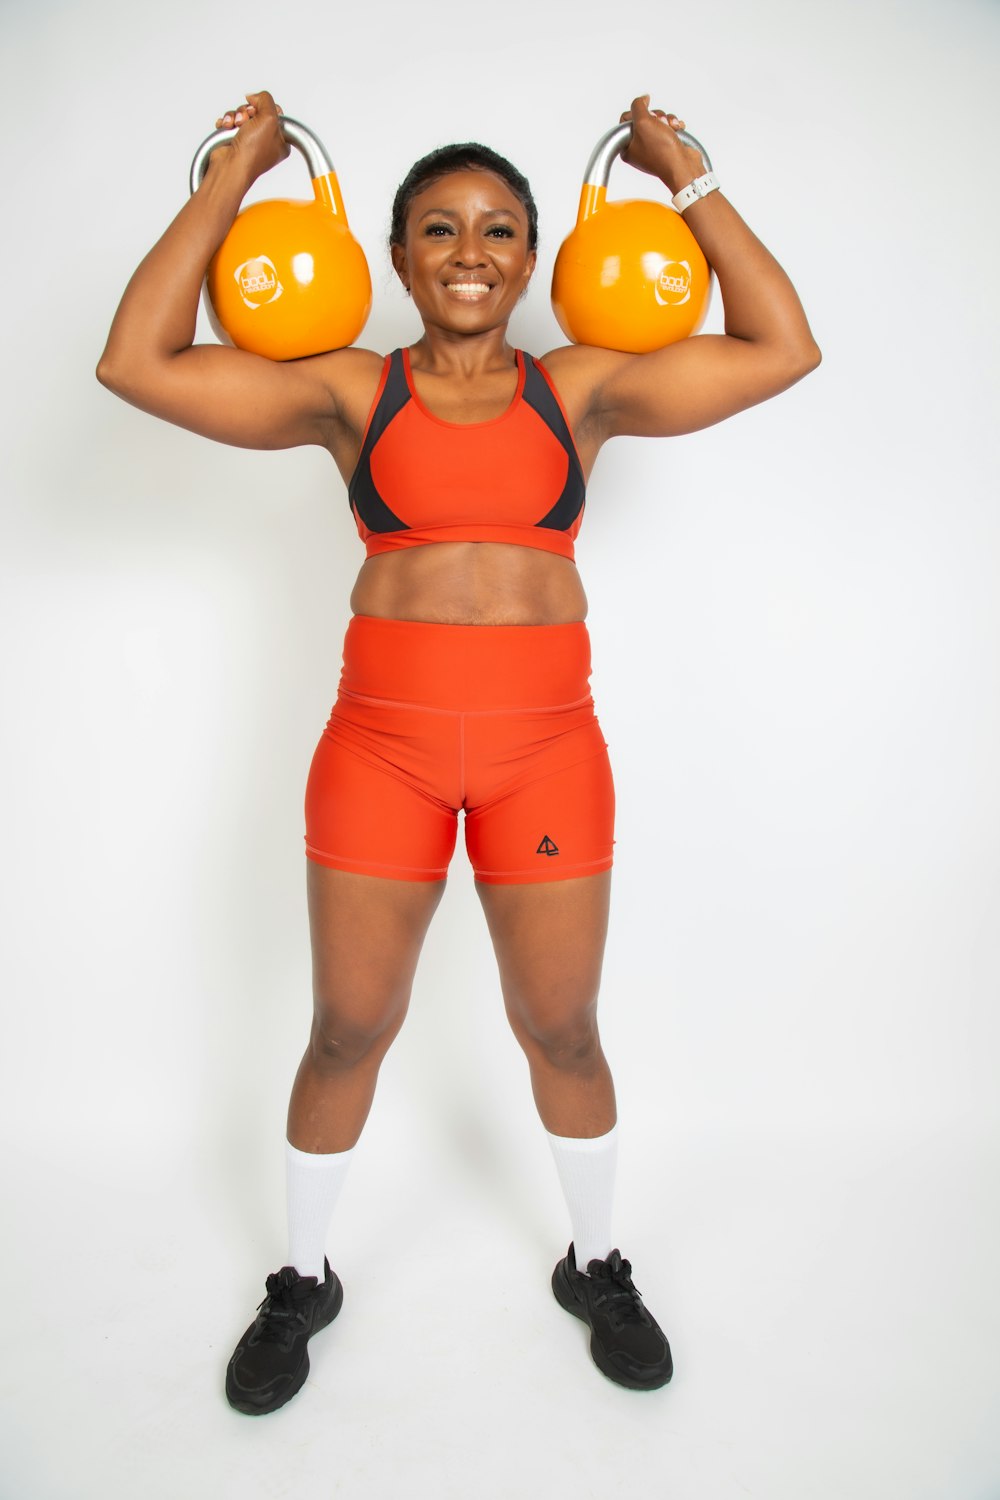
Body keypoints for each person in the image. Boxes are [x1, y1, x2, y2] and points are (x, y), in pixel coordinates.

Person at [97, 89, 820, 1415]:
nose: (470, 250)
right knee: (349, 1025)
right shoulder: (346, 392)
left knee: (562, 1025)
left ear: (536, 257)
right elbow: (137, 362)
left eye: (496, 229)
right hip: (381, 754)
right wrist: (237, 178)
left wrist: (687, 177)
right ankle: (304, 1278)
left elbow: (782, 348)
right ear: (398, 256)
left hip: (546, 754)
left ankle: (595, 1259)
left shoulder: (584, 391)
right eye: (439, 229)